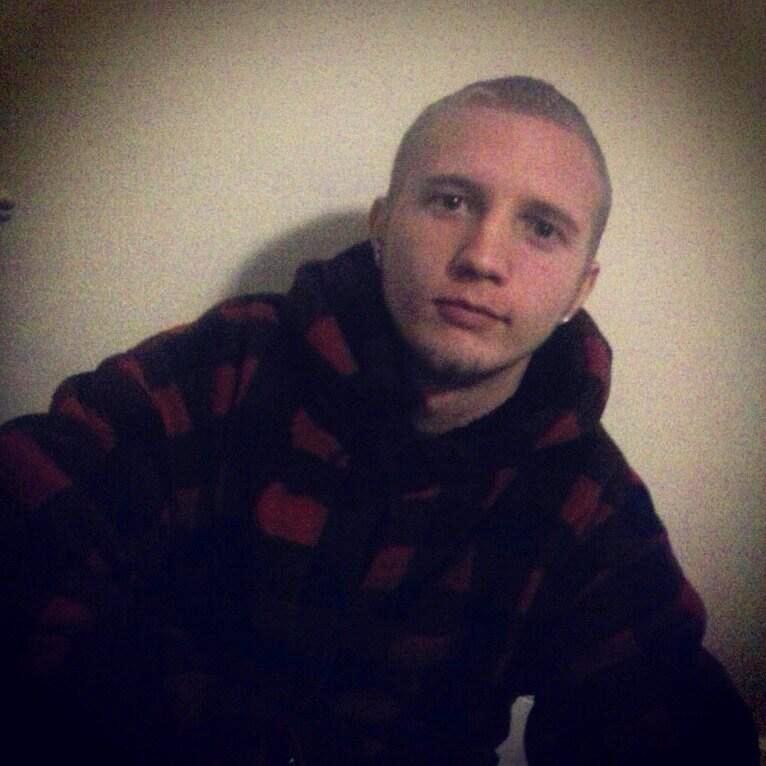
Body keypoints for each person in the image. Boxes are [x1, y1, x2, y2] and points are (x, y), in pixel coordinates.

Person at [0, 77, 758, 764]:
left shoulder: (586, 499)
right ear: (382, 225)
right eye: (451, 201)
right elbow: (27, 512)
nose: (483, 257)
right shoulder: (231, 365)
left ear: (579, 290)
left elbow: (665, 716)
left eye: (542, 228)